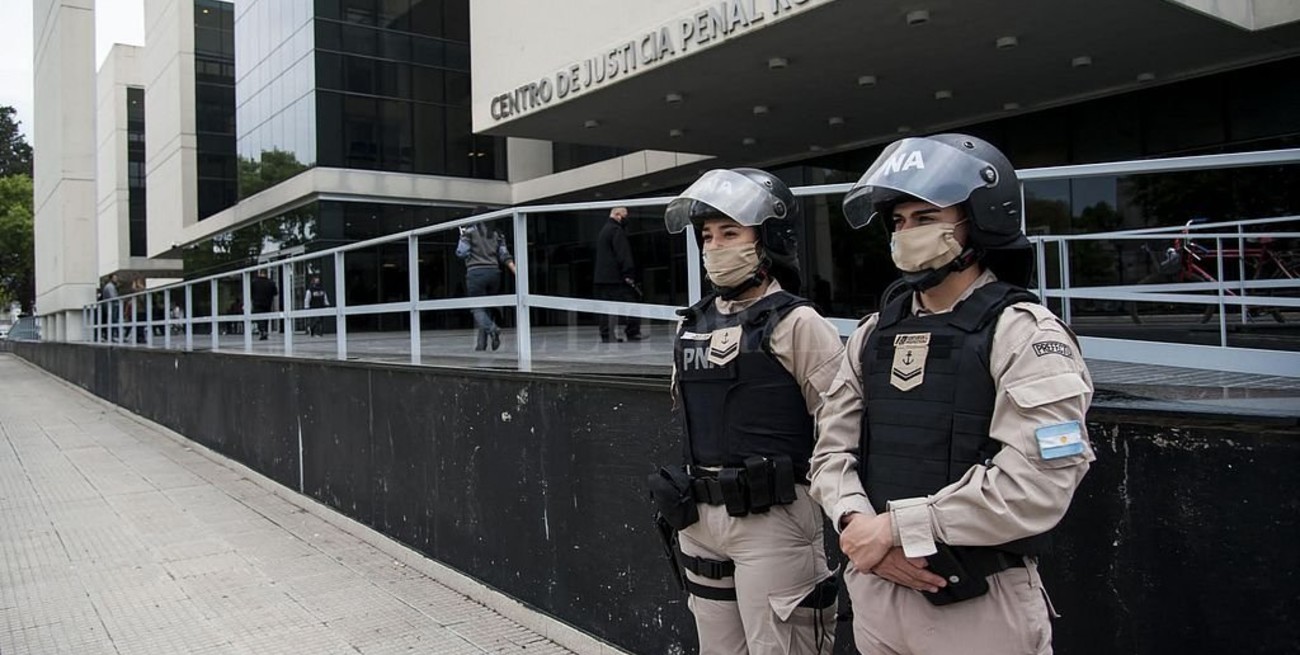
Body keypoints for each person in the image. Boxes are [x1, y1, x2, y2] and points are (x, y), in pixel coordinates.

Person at [808, 134, 1095, 655]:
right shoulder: (872, 334)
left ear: (980, 220)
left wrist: (894, 529)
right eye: (898, 222)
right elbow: (831, 451)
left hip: (976, 599)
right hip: (876, 589)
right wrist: (857, 524)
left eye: (925, 218)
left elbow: (1039, 482)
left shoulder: (1024, 332)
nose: (906, 233)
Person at [649, 168, 844, 655]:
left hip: (774, 520)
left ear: (767, 240)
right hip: (699, 520)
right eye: (707, 236)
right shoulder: (691, 325)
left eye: (730, 233)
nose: (714, 247)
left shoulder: (799, 323)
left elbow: (843, 427)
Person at [456, 217, 517, 351]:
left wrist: (462, 237)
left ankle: (493, 329)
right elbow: (504, 255)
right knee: (486, 309)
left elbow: (462, 252)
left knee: (477, 308)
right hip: (494, 273)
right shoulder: (497, 233)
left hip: (476, 273)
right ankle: (481, 344)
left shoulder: (469, 231)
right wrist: (515, 270)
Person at [594, 207, 644, 342]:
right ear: (617, 215)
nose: (626, 218)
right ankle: (632, 332)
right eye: (625, 215)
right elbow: (623, 253)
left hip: (603, 278)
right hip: (616, 278)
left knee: (606, 308)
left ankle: (606, 335)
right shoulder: (616, 230)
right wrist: (628, 273)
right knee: (632, 304)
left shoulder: (604, 230)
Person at [250, 269, 278, 340]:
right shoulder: (271, 282)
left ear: (260, 273)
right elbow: (275, 292)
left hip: (257, 302)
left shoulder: (254, 282)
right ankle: (265, 331)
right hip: (268, 303)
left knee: (259, 317)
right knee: (266, 318)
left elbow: (250, 292)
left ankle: (263, 331)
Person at [101, 273, 120, 342]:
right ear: (111, 279)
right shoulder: (110, 287)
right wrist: (119, 300)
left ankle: (110, 336)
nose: (116, 279)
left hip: (110, 306)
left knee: (111, 321)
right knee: (113, 321)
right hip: (111, 306)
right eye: (115, 278)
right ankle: (111, 336)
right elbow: (113, 297)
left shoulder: (110, 286)